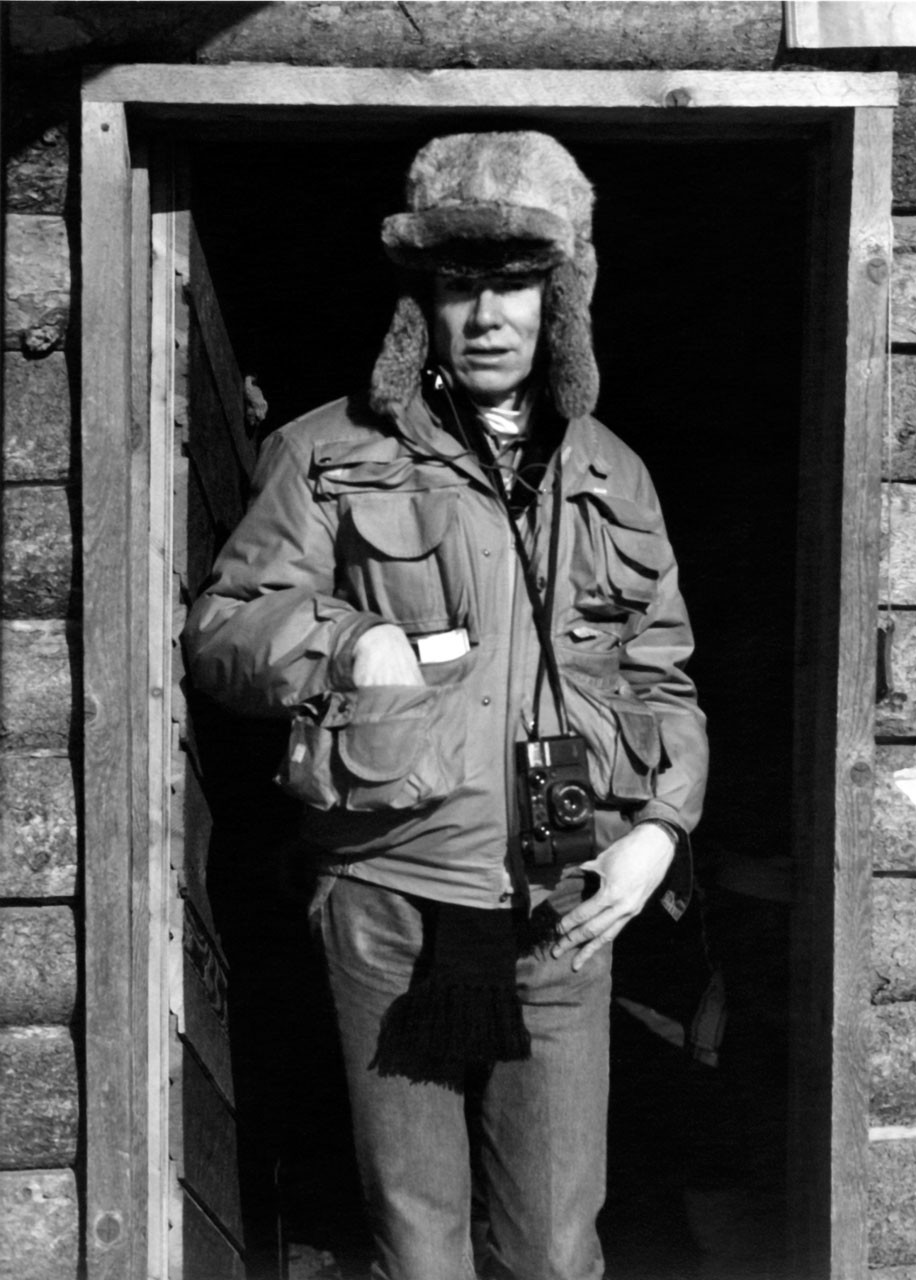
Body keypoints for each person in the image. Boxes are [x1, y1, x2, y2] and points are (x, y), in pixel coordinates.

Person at [184, 131, 708, 1280]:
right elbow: (224, 628)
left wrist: (660, 835)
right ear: (421, 298)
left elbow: (660, 676)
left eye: (515, 284)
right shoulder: (327, 451)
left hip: (565, 890)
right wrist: (349, 639)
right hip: (389, 889)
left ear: (559, 301)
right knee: (419, 1244)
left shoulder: (615, 475)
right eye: (460, 284)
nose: (486, 315)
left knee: (554, 1247)